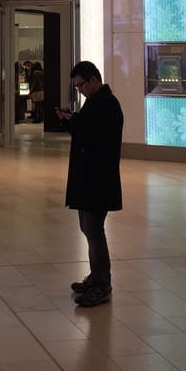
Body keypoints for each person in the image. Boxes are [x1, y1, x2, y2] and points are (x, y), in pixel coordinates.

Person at [56, 60, 123, 308]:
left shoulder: (107, 104)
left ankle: (101, 284)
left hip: (98, 179)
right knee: (88, 228)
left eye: (81, 86)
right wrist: (72, 120)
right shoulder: (95, 102)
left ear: (94, 80)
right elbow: (87, 129)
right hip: (89, 179)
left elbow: (95, 136)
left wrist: (74, 121)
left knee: (94, 230)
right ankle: (96, 277)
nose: (80, 91)